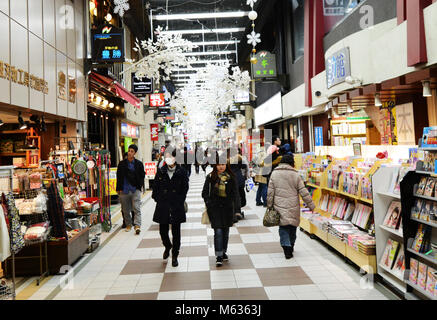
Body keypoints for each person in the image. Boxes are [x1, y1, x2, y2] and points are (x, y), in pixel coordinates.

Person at [267, 154, 315, 259]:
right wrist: (311, 206)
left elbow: (270, 192)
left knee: (283, 227)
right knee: (292, 227)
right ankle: (291, 245)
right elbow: (304, 192)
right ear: (292, 163)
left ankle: (286, 247)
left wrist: (269, 205)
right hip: (293, 206)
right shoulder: (295, 175)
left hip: (279, 205)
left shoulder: (274, 174)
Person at [152, 150, 189, 267]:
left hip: (176, 205)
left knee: (176, 232)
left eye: (171, 156)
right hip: (163, 205)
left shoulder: (182, 172)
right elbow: (155, 188)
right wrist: (158, 199)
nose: (168, 159)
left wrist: (179, 200)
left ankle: (175, 255)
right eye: (166, 156)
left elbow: (185, 188)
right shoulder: (161, 171)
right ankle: (167, 246)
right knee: (163, 231)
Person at [202, 159, 241, 266]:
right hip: (214, 209)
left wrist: (237, 210)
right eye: (219, 164)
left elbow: (236, 194)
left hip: (228, 209)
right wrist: (208, 203)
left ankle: (224, 251)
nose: (221, 167)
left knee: (225, 233)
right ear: (215, 165)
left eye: (223, 164)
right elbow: (204, 192)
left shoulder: (231, 177)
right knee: (218, 232)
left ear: (226, 165)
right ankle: (219, 255)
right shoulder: (211, 177)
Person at [116, 144, 145, 235]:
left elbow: (142, 176)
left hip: (135, 190)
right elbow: (119, 177)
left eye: (132, 151)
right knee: (125, 209)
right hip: (124, 190)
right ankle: (128, 224)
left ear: (135, 153)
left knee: (136, 208)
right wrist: (118, 189)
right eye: (129, 151)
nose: (129, 153)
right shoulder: (121, 164)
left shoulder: (139, 164)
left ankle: (137, 225)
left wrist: (139, 187)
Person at [227, 148, 248, 221]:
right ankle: (238, 211)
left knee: (233, 196)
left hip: (231, 179)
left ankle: (235, 211)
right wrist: (245, 176)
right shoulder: (239, 159)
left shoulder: (227, 160)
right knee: (240, 195)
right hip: (239, 178)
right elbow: (244, 167)